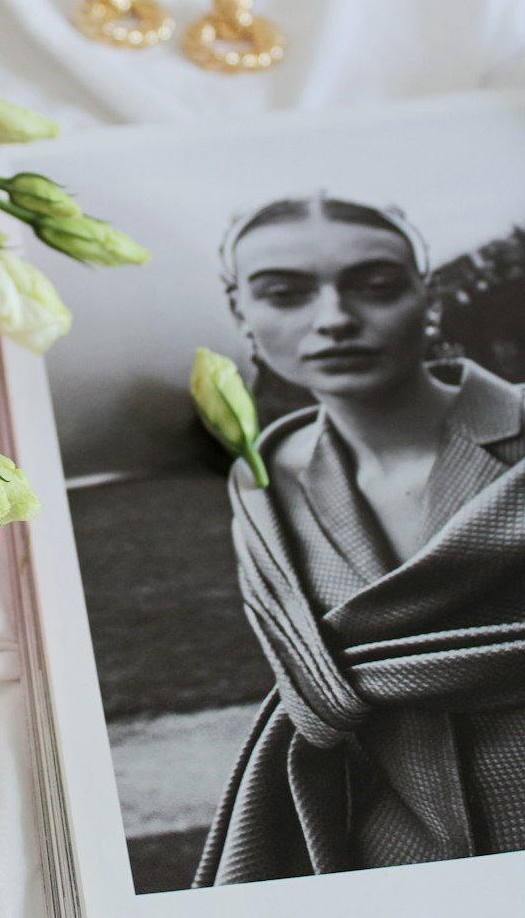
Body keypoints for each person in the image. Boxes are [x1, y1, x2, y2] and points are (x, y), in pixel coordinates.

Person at [194, 194, 525, 887]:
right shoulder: (266, 483)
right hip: (391, 855)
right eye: (284, 293)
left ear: (429, 301)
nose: (336, 319)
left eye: (374, 287)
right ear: (241, 315)